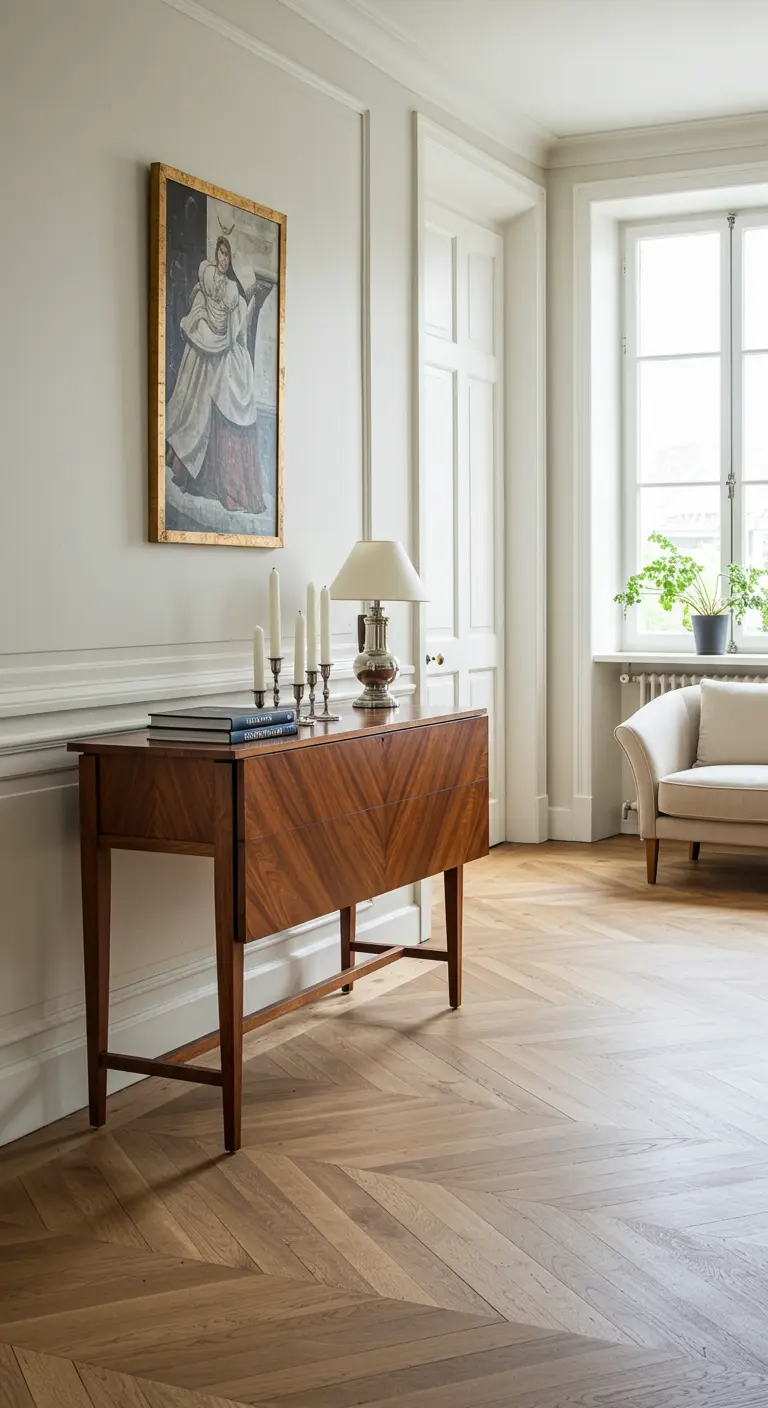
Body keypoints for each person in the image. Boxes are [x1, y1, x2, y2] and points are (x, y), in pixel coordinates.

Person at [165, 235, 266, 515]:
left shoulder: (233, 292)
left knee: (224, 401)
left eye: (227, 256)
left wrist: (233, 340)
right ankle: (188, 470)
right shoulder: (207, 278)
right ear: (215, 255)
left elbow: (236, 331)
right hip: (204, 344)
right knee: (194, 410)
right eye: (220, 254)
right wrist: (201, 317)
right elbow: (199, 306)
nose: (223, 259)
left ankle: (216, 481)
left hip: (224, 349)